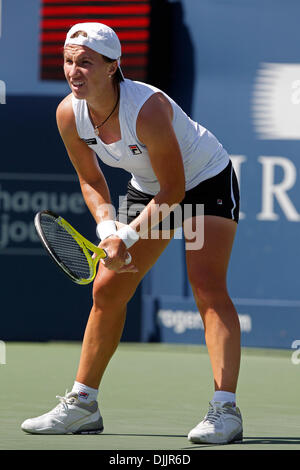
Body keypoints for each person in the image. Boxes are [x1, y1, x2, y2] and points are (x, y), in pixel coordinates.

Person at [21, 22, 242, 444]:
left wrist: (130, 236)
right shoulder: (69, 113)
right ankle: (83, 404)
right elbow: (91, 180)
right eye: (68, 61)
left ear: (112, 67)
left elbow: (176, 191)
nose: (74, 71)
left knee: (207, 287)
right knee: (107, 288)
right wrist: (108, 228)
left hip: (204, 181)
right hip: (149, 189)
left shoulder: (147, 109)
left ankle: (225, 411)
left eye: (85, 62)